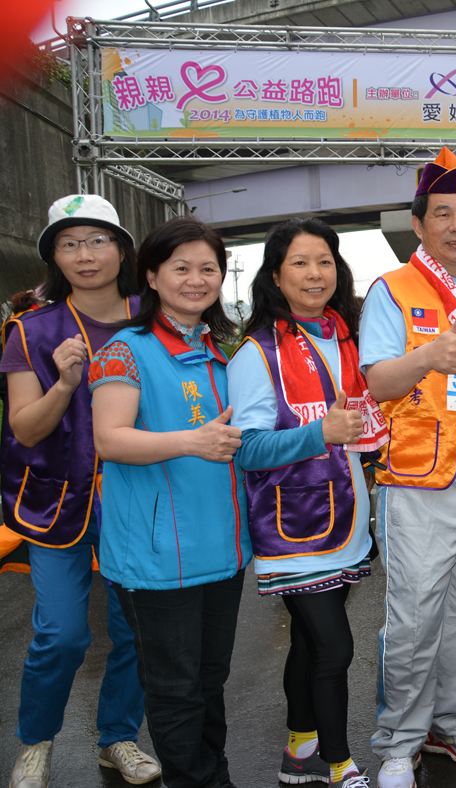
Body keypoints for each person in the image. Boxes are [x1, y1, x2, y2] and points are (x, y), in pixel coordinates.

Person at [360, 148, 456, 788]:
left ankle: (452, 723)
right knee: (415, 618)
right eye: (443, 213)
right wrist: (426, 356)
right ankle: (400, 741)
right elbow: (375, 381)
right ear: (419, 224)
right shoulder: (392, 289)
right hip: (420, 480)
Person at [1, 195, 160, 788]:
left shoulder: (157, 317)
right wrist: (65, 384)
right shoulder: (31, 330)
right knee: (62, 633)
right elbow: (25, 429)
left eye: (97, 240)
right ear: (54, 257)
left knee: (137, 631)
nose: (85, 255)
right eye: (69, 244)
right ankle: (36, 742)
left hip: (137, 498)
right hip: (56, 504)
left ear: (122, 249)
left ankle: (117, 737)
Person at [89, 216, 253, 788]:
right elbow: (109, 438)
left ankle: (215, 776)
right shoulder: (124, 350)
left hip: (223, 551)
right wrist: (191, 441)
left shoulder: (220, 352)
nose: (196, 279)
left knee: (209, 681)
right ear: (152, 277)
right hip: (158, 558)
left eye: (208, 268)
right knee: (175, 689)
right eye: (181, 268)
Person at [228, 218, 386, 788]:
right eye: (299, 262)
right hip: (293, 527)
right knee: (336, 649)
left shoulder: (348, 339)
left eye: (324, 261)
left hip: (346, 520)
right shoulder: (257, 353)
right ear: (275, 275)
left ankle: (299, 752)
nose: (315, 273)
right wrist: (320, 434)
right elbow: (247, 449)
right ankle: (340, 764)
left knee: (309, 642)